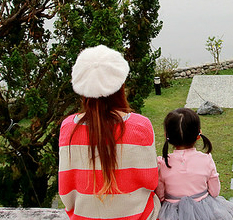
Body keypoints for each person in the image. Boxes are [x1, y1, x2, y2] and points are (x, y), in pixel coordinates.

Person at [58, 45, 161, 220]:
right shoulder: (140, 125)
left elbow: (66, 191)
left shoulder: (68, 127)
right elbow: (151, 182)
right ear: (120, 85)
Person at [156, 108, 233, 220]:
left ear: (167, 135)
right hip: (204, 210)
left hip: (172, 212)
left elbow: (160, 195)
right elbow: (214, 192)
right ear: (198, 134)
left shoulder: (163, 163)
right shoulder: (206, 159)